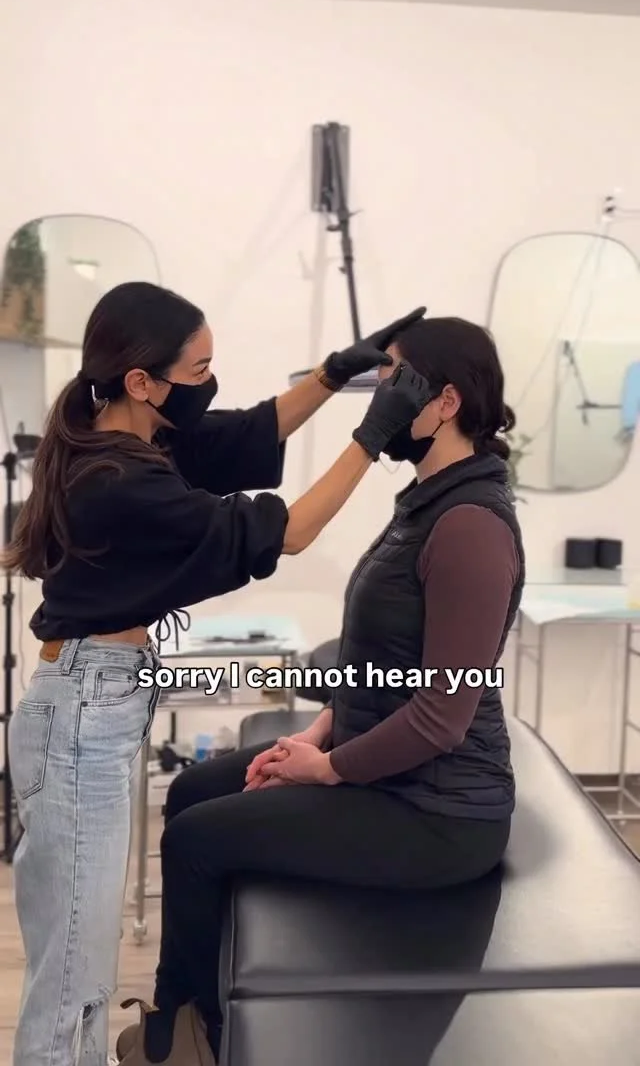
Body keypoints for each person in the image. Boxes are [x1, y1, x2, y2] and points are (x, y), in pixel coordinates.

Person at [4, 280, 430, 1066]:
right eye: (198, 370)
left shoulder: (124, 434)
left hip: (94, 701)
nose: (210, 383)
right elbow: (287, 533)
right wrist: (371, 437)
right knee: (70, 980)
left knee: (82, 967)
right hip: (81, 714)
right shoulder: (121, 480)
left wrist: (333, 373)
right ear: (142, 380)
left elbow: (246, 432)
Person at [117, 315, 525, 1066]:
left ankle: (183, 1040)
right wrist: (316, 733)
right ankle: (200, 1014)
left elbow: (442, 714)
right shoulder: (425, 503)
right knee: (193, 792)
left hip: (438, 813)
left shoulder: (471, 525)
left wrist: (328, 769)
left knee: (195, 839)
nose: (383, 397)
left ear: (445, 402)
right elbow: (382, 659)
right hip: (386, 774)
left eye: (397, 381)